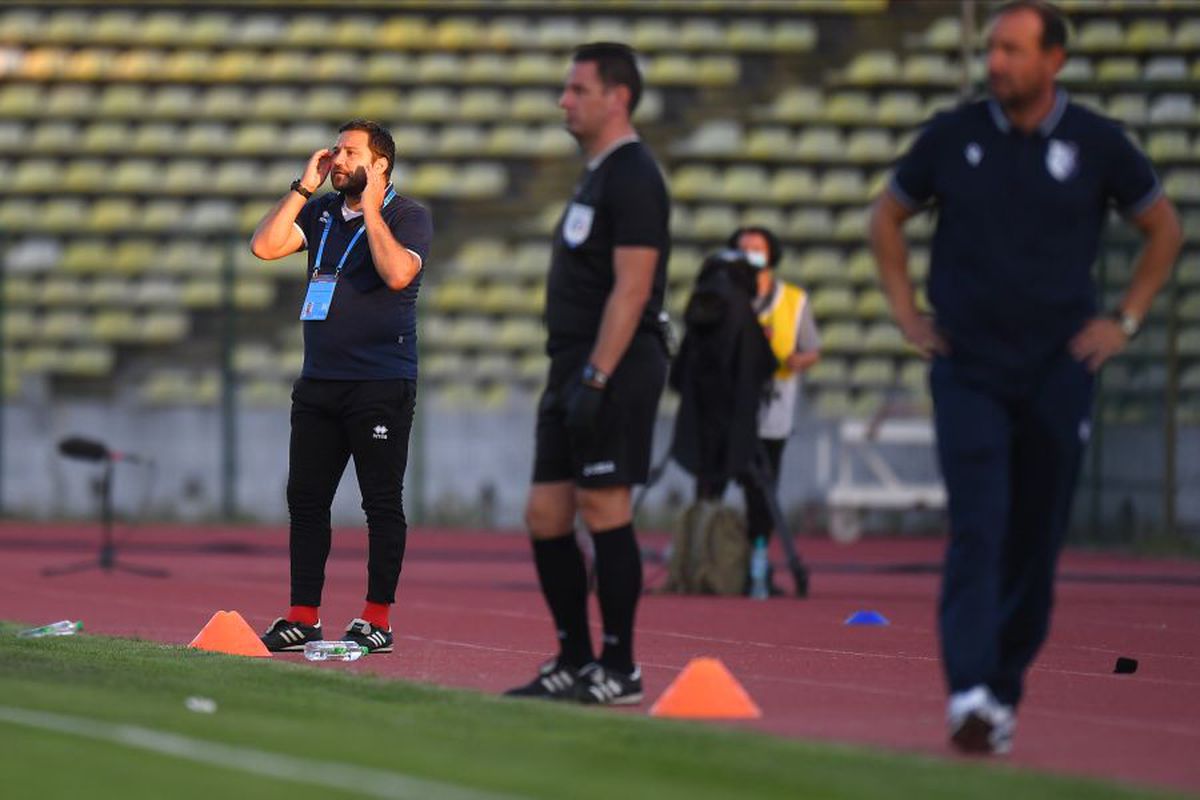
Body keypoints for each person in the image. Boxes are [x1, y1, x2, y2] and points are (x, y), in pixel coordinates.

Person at [868, 1, 1181, 755]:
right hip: (968, 367)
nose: (996, 62)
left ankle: (1001, 690)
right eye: (994, 49)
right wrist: (909, 314)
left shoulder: (1097, 142)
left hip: (1057, 372)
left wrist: (1126, 321)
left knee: (1035, 541)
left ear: (1054, 61)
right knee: (979, 527)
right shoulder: (953, 135)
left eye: (1012, 50)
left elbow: (1163, 227)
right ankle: (969, 690)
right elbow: (887, 217)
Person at [505, 42, 670, 704]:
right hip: (571, 362)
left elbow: (632, 290)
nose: (563, 101)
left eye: (577, 89)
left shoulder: (634, 175)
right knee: (546, 514)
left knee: (605, 507)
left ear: (618, 97)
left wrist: (598, 378)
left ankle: (620, 667)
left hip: (615, 363)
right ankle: (573, 658)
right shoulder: (597, 174)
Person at [249, 119, 433, 655]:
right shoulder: (322, 210)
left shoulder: (408, 215)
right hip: (320, 380)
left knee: (380, 502)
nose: (337, 158)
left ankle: (377, 619)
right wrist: (304, 186)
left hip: (380, 381)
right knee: (306, 499)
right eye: (336, 150)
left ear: (380, 165)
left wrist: (372, 209)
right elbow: (264, 247)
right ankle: (302, 615)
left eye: (350, 153)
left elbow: (398, 273)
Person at [727, 226, 821, 594]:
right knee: (714, 484)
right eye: (743, 249)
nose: (750, 255)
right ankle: (707, 560)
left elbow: (812, 347)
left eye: (757, 248)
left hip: (773, 407)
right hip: (729, 406)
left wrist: (797, 360)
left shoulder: (794, 300)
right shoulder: (724, 296)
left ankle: (759, 562)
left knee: (763, 489)